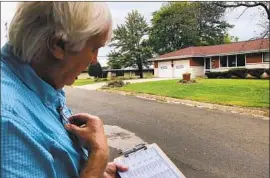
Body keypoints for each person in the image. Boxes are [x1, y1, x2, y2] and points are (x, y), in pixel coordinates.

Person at [1, 2, 128, 178]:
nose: (94, 60)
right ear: (58, 45)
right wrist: (98, 155)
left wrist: (97, 171)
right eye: (94, 48)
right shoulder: (9, 124)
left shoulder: (42, 80)